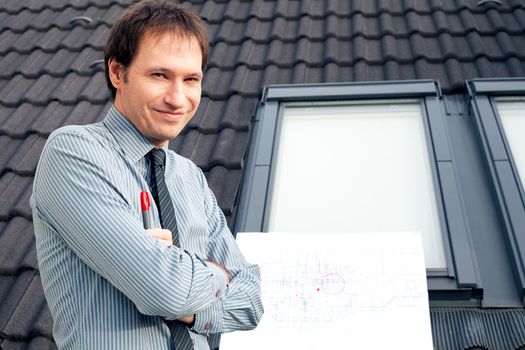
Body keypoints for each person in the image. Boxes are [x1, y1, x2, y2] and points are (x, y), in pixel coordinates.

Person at [30, 1, 263, 349]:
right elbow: (164, 290)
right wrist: (217, 273)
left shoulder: (191, 180)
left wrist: (184, 291)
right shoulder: (74, 153)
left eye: (191, 79)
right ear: (118, 73)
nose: (177, 97)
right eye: (160, 75)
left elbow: (252, 304)